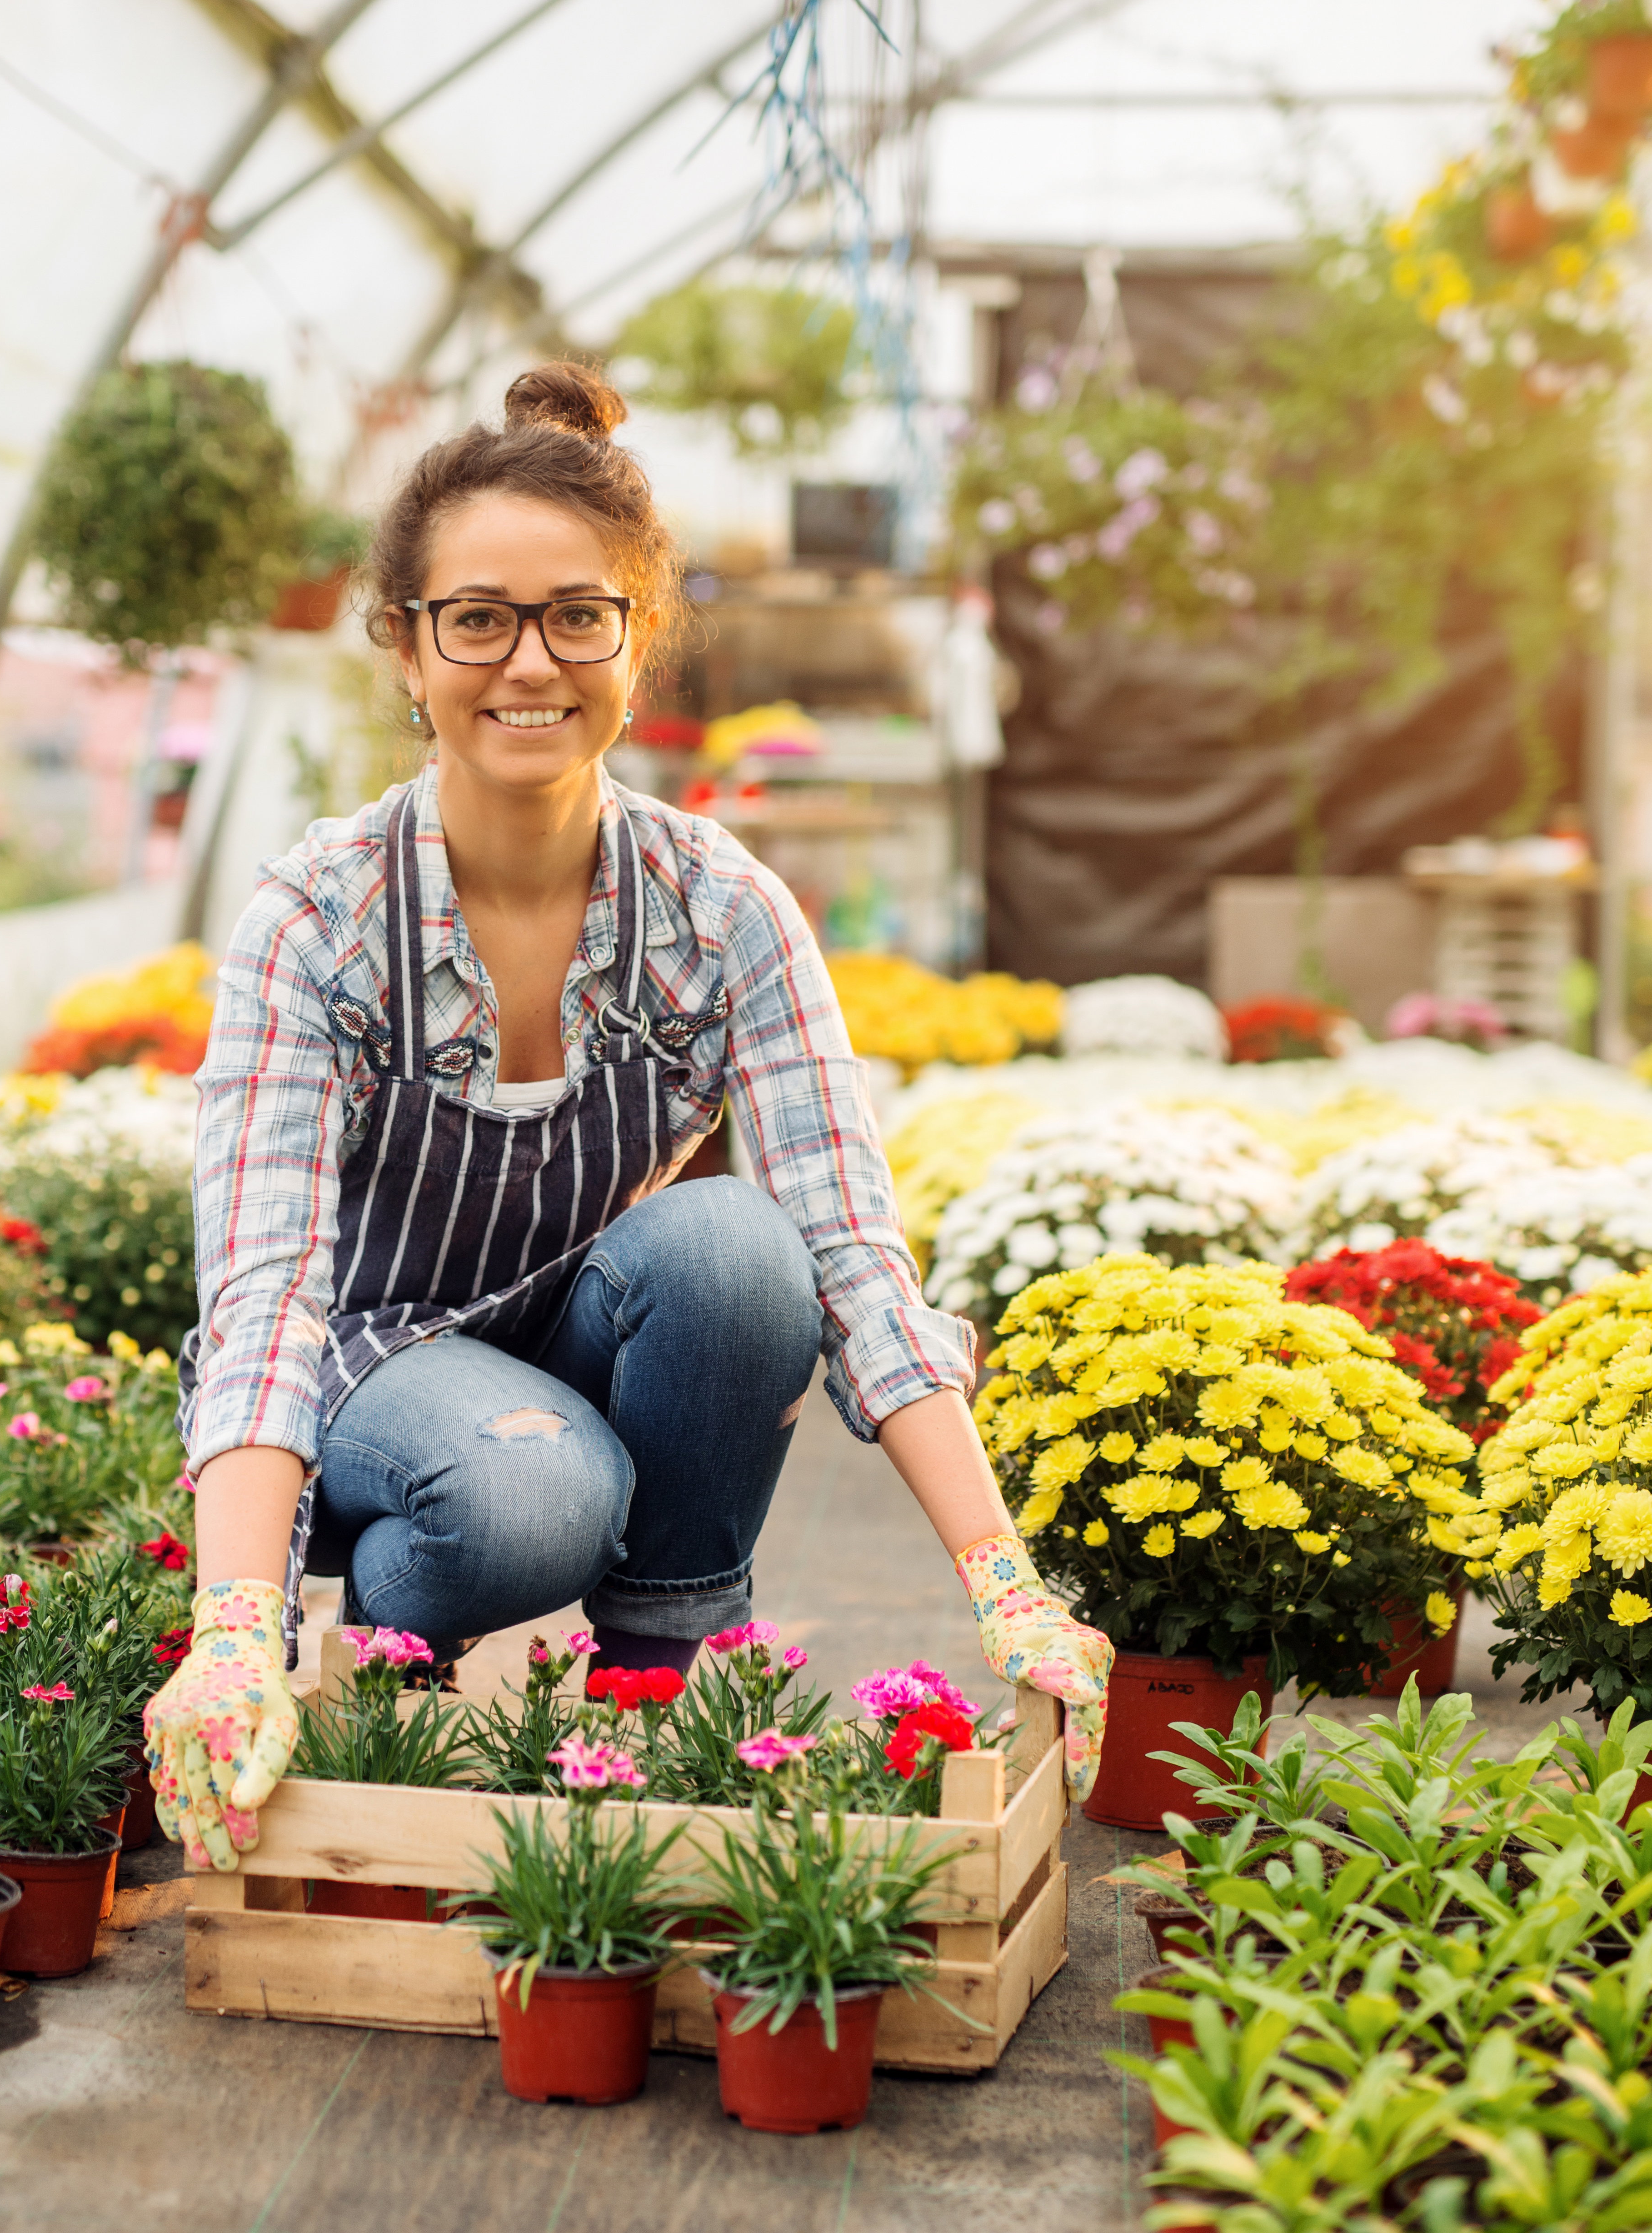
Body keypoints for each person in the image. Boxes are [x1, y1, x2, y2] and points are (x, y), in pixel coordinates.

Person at [142, 362, 1112, 1870]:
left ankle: (647, 1692)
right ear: (406, 645)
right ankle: (388, 1657)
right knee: (534, 1492)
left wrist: (1006, 1581)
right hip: (373, 1368)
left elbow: (853, 1254)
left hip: (571, 1334)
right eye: (478, 619)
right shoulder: (317, 920)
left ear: (636, 635)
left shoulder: (723, 909)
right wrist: (231, 1630)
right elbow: (267, 1292)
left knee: (738, 1253)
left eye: (577, 617)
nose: (529, 662)